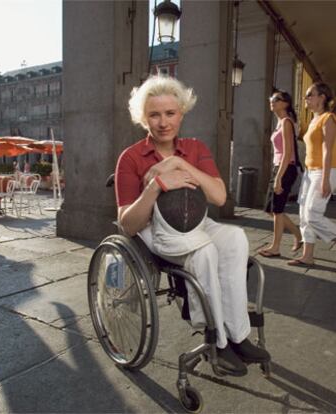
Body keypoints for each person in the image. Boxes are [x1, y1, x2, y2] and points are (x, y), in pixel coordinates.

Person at [115, 75, 270, 377]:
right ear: (143, 119)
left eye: (170, 113)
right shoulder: (131, 157)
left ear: (181, 113)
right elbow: (128, 224)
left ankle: (238, 336)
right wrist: (157, 185)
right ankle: (217, 341)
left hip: (197, 222)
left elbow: (219, 196)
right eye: (154, 115)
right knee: (205, 253)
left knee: (235, 238)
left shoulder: (194, 148)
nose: (163, 122)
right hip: (155, 229)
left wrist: (180, 165)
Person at [288, 82, 336, 267]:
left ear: (322, 97)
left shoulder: (328, 118)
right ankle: (307, 256)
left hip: (324, 171)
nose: (306, 98)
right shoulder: (314, 119)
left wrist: (325, 180)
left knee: (312, 215)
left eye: (310, 94)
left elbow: (327, 150)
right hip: (310, 172)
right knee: (303, 214)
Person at [258, 90, 302, 258]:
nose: (272, 101)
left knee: (276, 209)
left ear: (285, 103)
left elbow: (288, 152)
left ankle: (275, 247)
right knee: (271, 208)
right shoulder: (280, 123)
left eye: (276, 99)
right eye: (271, 99)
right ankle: (298, 234)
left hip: (285, 169)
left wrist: (278, 177)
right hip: (280, 168)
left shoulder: (286, 123)